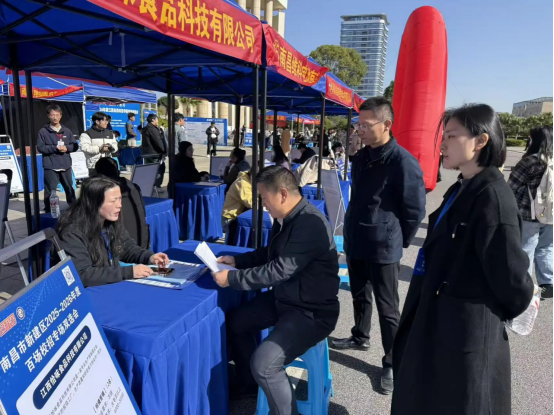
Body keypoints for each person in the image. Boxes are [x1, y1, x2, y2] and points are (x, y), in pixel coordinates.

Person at [392, 104, 535, 415]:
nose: (442, 144)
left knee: (460, 401)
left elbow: (513, 281)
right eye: (443, 136)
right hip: (437, 315)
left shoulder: (493, 198)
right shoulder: (461, 187)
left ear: (481, 141)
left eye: (452, 136)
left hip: (466, 329)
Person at [213, 166, 340, 414]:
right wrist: (238, 261)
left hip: (311, 311)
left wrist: (232, 279)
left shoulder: (309, 223)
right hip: (286, 297)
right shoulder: (288, 218)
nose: (263, 205)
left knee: (264, 364)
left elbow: (279, 270)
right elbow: (270, 253)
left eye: (264, 198)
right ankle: (249, 384)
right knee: (237, 322)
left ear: (282, 194)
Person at [332, 97, 426, 395]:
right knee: (360, 294)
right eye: (357, 124)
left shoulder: (402, 162)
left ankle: (392, 362)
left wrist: (397, 239)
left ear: (386, 124)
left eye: (365, 125)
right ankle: (360, 336)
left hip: (384, 245)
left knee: (388, 308)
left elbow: (414, 211)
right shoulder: (362, 156)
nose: (359, 130)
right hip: (357, 239)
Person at [56, 176, 170, 288]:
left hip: (109, 286)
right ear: (94, 203)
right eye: (113, 201)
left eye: (120, 199)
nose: (119, 205)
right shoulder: (72, 232)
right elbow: (82, 274)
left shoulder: (109, 222)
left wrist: (149, 257)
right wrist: (128, 272)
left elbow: (125, 247)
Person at [508, 125, 553, 300]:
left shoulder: (531, 161)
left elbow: (511, 187)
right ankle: (548, 282)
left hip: (529, 214)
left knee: (526, 249)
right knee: (546, 248)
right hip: (551, 215)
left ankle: (524, 287)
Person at [95, 157, 150, 250]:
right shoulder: (133, 187)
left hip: (122, 247)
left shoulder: (103, 193)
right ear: (117, 171)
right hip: (142, 242)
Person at [37, 105, 79, 213]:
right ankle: (49, 210)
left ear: (61, 116)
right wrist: (55, 148)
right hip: (50, 165)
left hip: (65, 164)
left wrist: (67, 148)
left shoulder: (67, 131)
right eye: (52, 115)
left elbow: (74, 146)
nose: (55, 117)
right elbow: (40, 148)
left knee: (69, 188)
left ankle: (74, 209)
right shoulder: (43, 131)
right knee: (50, 190)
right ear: (48, 116)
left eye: (57, 115)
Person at [80, 112, 119, 176]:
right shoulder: (86, 134)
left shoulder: (110, 133)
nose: (107, 123)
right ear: (97, 122)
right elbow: (84, 147)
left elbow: (115, 145)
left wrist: (111, 148)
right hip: (94, 166)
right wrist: (99, 148)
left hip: (108, 165)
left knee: (109, 182)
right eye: (104, 120)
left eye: (107, 120)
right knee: (96, 182)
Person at [221, 170, 253, 237]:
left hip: (239, 217)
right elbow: (251, 203)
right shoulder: (242, 183)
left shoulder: (249, 181)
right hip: (231, 218)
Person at [141, 114, 167, 188]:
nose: (158, 121)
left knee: (149, 170)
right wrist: (164, 151)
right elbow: (158, 142)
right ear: (153, 120)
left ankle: (149, 186)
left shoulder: (145, 129)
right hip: (154, 154)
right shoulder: (152, 129)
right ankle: (156, 186)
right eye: (157, 119)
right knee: (159, 169)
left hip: (146, 153)